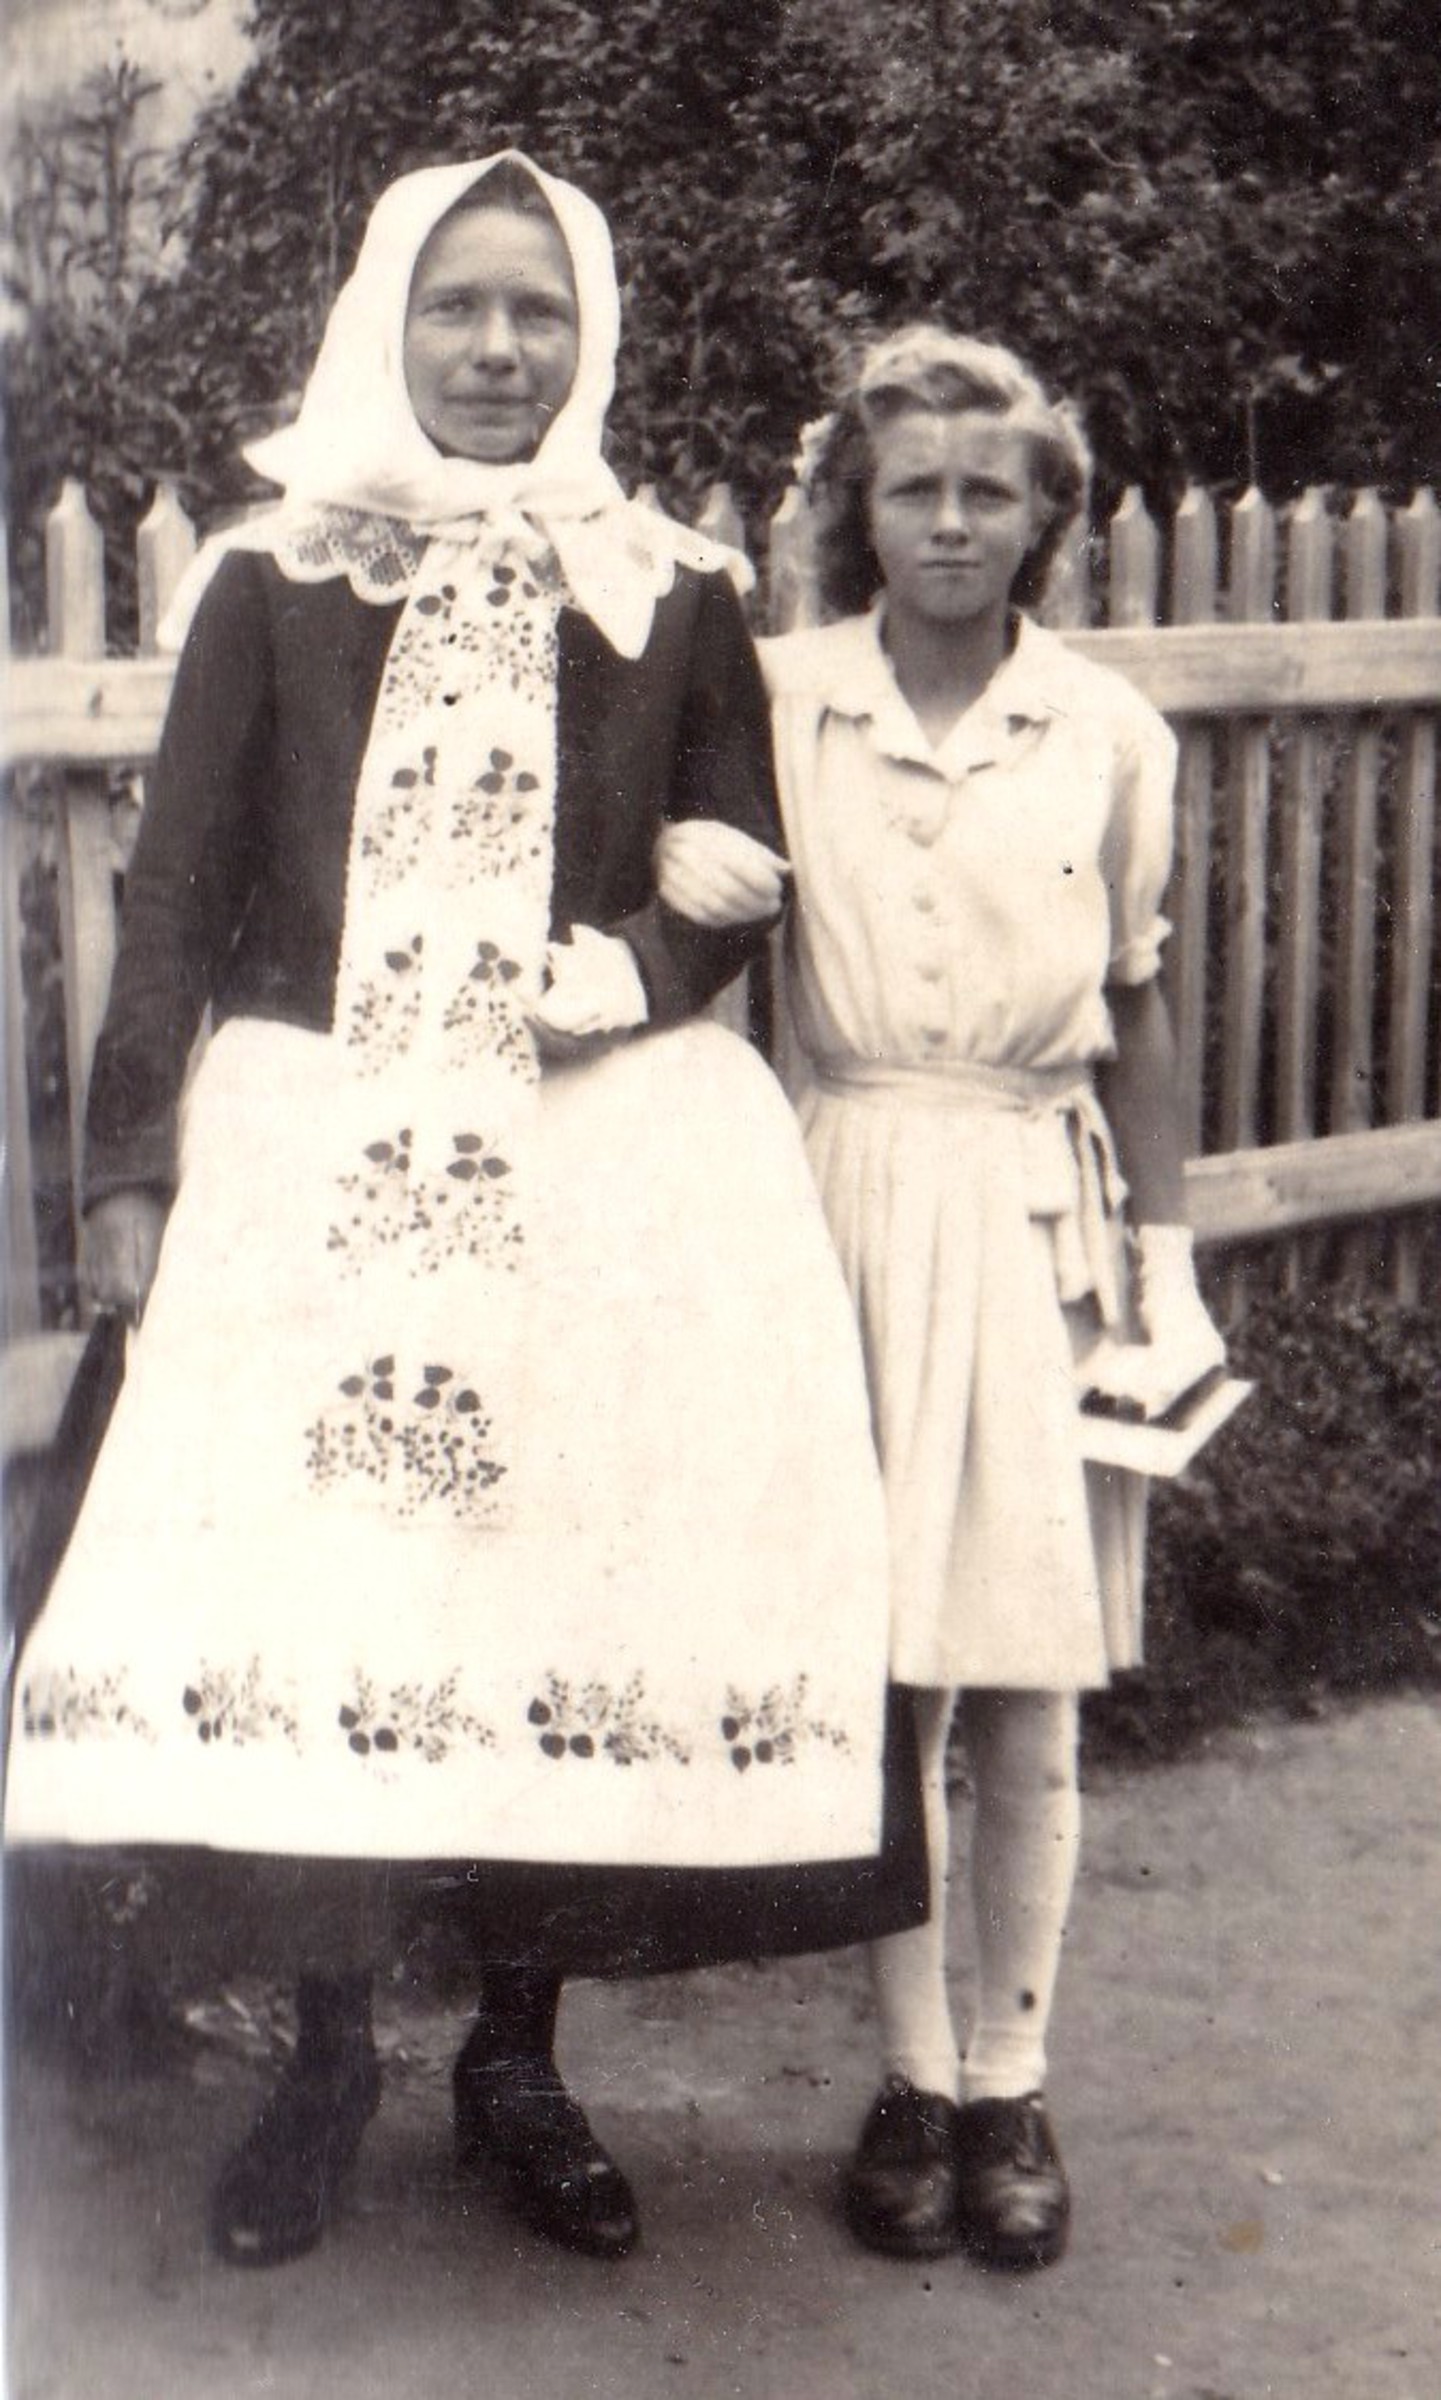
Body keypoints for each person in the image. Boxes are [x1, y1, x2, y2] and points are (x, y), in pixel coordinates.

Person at [5, 158, 926, 2271]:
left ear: (587, 338)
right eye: (458, 309)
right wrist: (131, 1173)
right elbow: (174, 892)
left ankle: (519, 2053)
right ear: (385, 323)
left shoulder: (670, 585)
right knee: (342, 1599)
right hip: (318, 1159)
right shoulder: (274, 577)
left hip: (596, 1166)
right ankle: (326, 2056)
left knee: (546, 1594)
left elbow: (733, 856)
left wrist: (638, 967)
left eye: (538, 312)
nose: (499, 351)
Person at [655, 328, 1226, 2271]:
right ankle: (907, 2083)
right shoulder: (779, 699)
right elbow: (707, 954)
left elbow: (1138, 1000)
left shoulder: (1104, 731)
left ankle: (1010, 2081)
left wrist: (1164, 1268)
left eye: (992, 490)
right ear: (858, 510)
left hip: (1032, 1210)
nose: (954, 522)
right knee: (881, 1675)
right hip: (835, 1196)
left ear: (1044, 515)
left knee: (1027, 1679)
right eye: (916, 489)